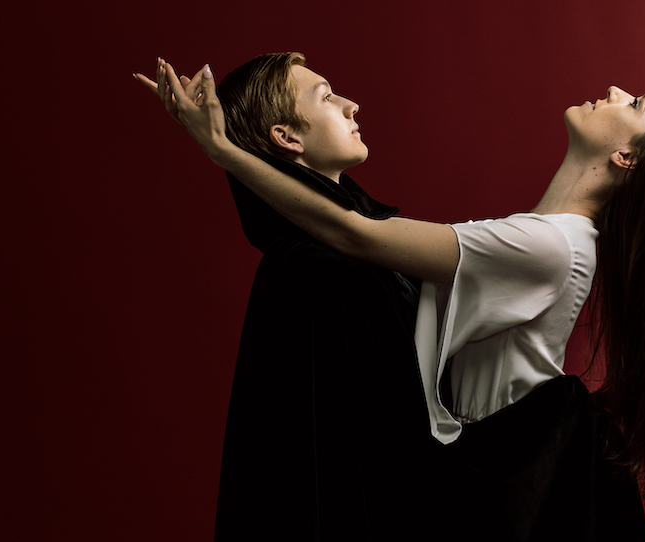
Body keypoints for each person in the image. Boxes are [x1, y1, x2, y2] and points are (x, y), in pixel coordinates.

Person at [148, 55, 645, 539]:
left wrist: (225, 153)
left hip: (481, 497)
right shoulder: (545, 237)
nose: (616, 91)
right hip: (469, 487)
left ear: (626, 157)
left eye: (637, 104)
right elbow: (359, 219)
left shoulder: (549, 245)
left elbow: (357, 232)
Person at [137, 55, 438, 540]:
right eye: (326, 96)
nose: (352, 105)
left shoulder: (357, 252)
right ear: (287, 138)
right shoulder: (320, 272)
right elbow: (347, 466)